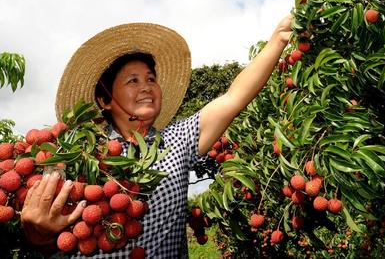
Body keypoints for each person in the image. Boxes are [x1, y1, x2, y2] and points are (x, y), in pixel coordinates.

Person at [20, 17, 292, 258]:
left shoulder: (178, 139)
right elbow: (51, 240)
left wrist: (278, 40)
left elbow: (233, 98)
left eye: (151, 79)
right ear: (104, 99)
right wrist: (38, 233)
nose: (147, 87)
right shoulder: (78, 153)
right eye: (132, 81)